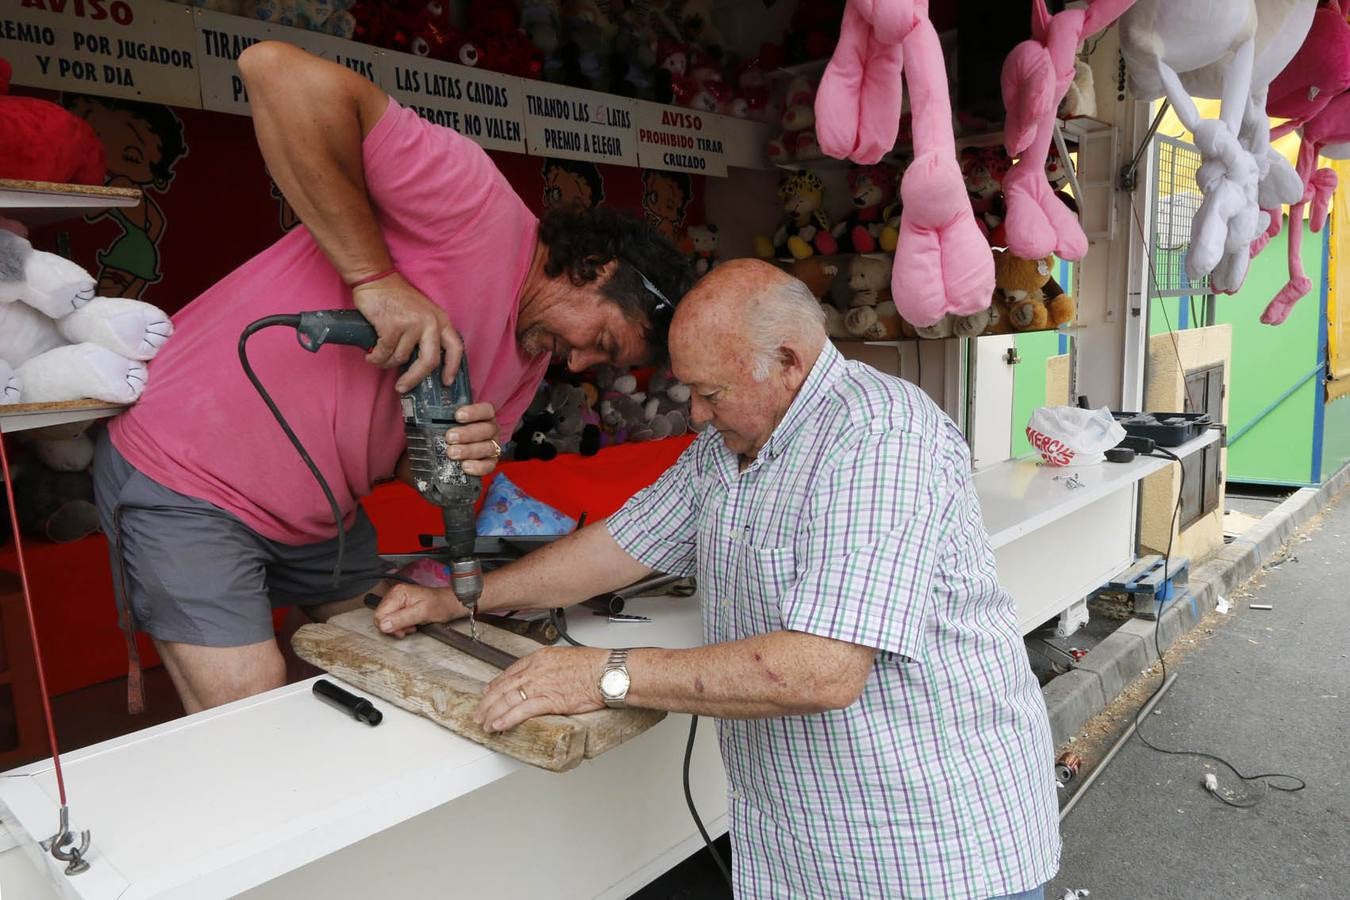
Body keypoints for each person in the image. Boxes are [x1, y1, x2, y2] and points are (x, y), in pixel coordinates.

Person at [374, 258, 1060, 899]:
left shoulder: (878, 438)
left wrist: (603, 674)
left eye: (710, 393)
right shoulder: (725, 446)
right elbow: (616, 548)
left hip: (929, 851)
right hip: (806, 845)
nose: (696, 415)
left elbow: (822, 669)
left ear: (789, 363)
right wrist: (459, 598)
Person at [91, 41, 693, 714]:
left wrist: (466, 460)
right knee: (250, 707)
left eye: (602, 364)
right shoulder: (473, 205)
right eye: (601, 341)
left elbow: (415, 470)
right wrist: (374, 279)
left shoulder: (526, 362)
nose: (579, 364)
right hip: (190, 474)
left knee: (392, 658)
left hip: (322, 516)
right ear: (597, 270)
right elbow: (272, 69)